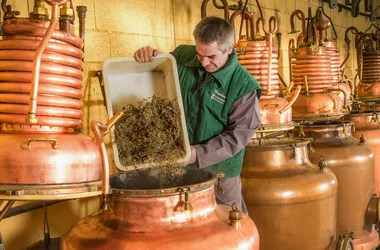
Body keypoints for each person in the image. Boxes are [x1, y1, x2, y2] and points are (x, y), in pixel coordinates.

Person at [134, 16, 261, 214]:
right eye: (199, 54)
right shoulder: (183, 55)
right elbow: (160, 75)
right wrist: (151, 57)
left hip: (220, 175)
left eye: (211, 57)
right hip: (178, 168)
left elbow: (237, 138)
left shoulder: (244, 87)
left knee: (228, 229)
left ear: (229, 48)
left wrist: (197, 153)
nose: (203, 62)